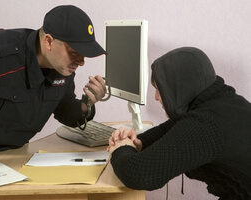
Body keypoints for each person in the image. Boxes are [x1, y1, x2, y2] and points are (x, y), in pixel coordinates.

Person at [0, 5, 107, 161]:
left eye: (84, 55)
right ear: (48, 41)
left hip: (10, 158)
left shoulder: (62, 69)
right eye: (74, 53)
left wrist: (88, 103)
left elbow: (66, 112)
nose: (81, 63)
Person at [107, 47, 251, 199]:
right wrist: (139, 142)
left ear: (180, 86)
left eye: (159, 89)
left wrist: (120, 149)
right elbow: (173, 128)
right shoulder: (221, 102)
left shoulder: (206, 124)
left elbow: (138, 174)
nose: (156, 97)